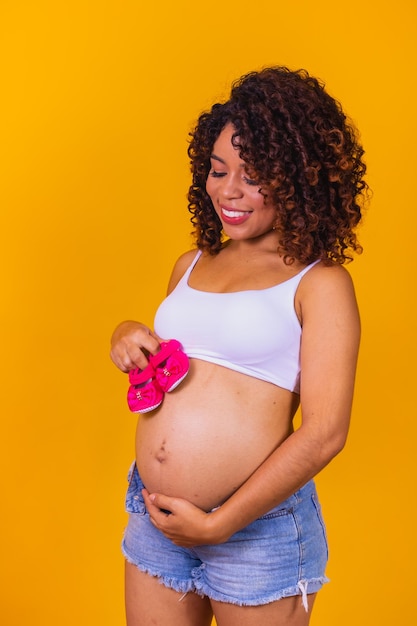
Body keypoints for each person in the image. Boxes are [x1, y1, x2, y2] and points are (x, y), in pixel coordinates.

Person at [110, 66, 367, 626]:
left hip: (256, 533)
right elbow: (172, 373)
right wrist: (127, 337)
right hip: (155, 518)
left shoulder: (320, 284)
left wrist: (220, 522)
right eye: (218, 170)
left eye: (253, 176)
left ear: (299, 177)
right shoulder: (191, 265)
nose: (229, 191)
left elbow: (326, 432)